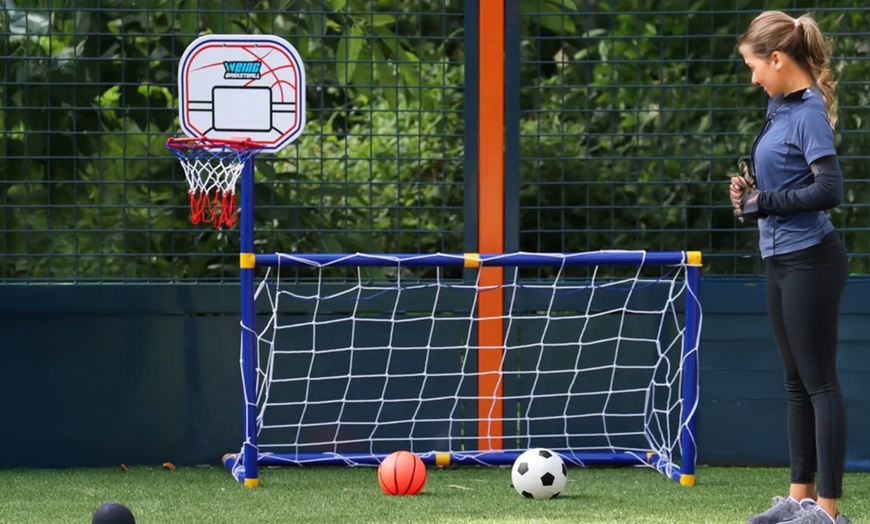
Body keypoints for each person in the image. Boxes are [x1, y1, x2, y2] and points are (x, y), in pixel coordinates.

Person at [731, 10, 850, 524]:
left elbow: (829, 190)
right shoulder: (779, 109)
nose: (753, 76)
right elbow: (781, 187)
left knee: (819, 382)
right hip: (779, 260)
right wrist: (749, 197)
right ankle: (798, 498)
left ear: (777, 59)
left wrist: (766, 202)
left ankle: (827, 510)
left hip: (812, 262)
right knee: (795, 382)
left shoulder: (807, 113)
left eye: (754, 65)